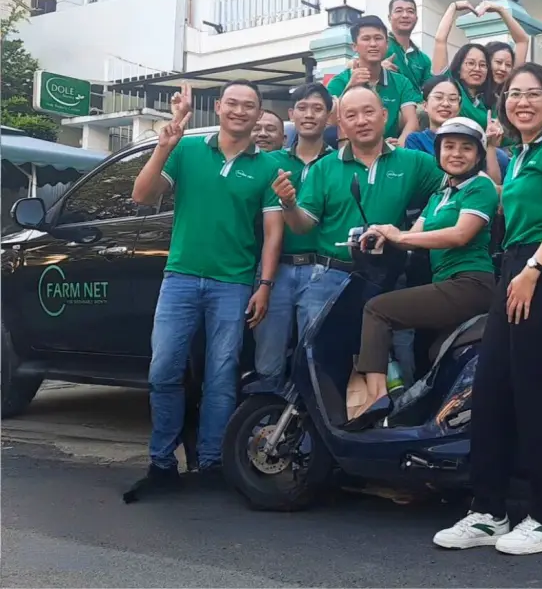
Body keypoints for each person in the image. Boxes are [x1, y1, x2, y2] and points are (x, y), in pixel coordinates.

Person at [433, 63, 542, 556]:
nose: (523, 101)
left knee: (535, 395)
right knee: (492, 390)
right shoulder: (519, 154)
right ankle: (488, 511)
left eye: (533, 93)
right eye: (514, 93)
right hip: (514, 269)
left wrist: (535, 269)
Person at [129, 80, 284, 490]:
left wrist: (264, 283)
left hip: (232, 283)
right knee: (163, 369)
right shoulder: (187, 149)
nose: (239, 111)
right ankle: (161, 461)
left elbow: (272, 233)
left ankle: (212, 463)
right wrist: (164, 144)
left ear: (258, 113)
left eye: (248, 105)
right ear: (217, 107)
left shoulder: (268, 167)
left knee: (220, 376)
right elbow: (142, 195)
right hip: (179, 276)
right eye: (232, 103)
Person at [272, 87, 445, 345]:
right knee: (321, 360)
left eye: (368, 112)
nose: (361, 121)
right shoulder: (324, 167)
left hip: (389, 275)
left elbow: (457, 187)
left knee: (397, 356)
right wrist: (288, 204)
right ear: (341, 123)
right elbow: (302, 225)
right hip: (331, 277)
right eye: (351, 115)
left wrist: (421, 223)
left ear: (384, 115)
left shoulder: (413, 162)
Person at [351, 117, 498, 412]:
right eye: (449, 146)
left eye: (466, 148)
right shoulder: (438, 196)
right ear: (438, 153)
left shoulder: (480, 187)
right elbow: (413, 236)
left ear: (479, 155)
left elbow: (460, 235)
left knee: (378, 310)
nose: (456, 153)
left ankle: (375, 403)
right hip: (447, 283)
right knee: (436, 353)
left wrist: (399, 236)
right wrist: (381, 233)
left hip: (470, 282)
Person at [252, 83, 334, 384]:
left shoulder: (339, 162)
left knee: (314, 361)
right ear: (292, 114)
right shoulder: (271, 162)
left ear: (329, 116)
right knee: (267, 360)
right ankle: (264, 426)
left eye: (317, 108)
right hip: (277, 270)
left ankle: (307, 430)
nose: (309, 115)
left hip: (322, 271)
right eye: (302, 108)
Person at [326, 15, 420, 146]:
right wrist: (350, 87)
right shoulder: (339, 82)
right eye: (366, 39)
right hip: (350, 152)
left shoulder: (401, 82)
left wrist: (398, 145)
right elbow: (330, 122)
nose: (373, 44)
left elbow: (412, 122)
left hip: (389, 152)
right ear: (354, 46)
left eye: (378, 38)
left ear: (387, 44)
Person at [406, 76, 508, 182]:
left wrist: (490, 145)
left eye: (453, 99)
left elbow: (493, 186)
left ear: (459, 107)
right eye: (438, 97)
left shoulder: (473, 140)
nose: (445, 104)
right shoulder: (416, 140)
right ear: (425, 105)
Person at [432, 0, 530, 88]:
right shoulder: (453, 89)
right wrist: (453, 7)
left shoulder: (506, 91)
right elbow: (440, 40)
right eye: (498, 62)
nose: (503, 68)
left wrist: (501, 10)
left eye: (508, 65)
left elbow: (523, 41)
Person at [386, 0, 433, 89]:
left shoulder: (423, 59)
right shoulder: (378, 47)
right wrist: (377, 70)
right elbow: (354, 66)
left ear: (416, 19)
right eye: (399, 11)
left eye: (410, 11)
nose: (405, 15)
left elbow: (429, 91)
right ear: (389, 17)